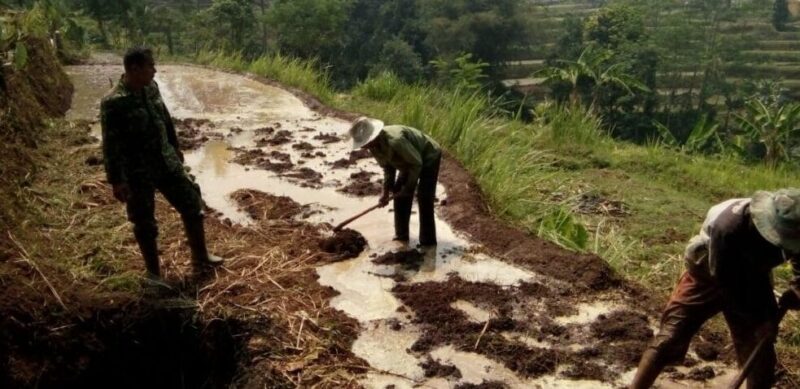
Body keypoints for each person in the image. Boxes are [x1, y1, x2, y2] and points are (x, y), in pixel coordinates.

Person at [630, 189, 800, 389]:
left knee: (760, 352)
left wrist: (797, 287)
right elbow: (728, 282)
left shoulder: (797, 223)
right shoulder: (728, 227)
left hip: (756, 276)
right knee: (670, 337)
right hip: (708, 272)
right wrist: (762, 320)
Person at [100, 47, 223, 281]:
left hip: (166, 162)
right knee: (144, 222)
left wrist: (175, 147)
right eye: (150, 66)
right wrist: (116, 180)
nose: (154, 70)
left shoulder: (151, 88)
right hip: (137, 172)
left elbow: (165, 118)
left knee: (192, 203)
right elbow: (110, 144)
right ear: (134, 69)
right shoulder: (114, 102)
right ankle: (154, 275)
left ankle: (201, 257)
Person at [349, 117, 442, 246]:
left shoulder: (396, 141)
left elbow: (416, 164)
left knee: (425, 198)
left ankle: (428, 242)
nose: (363, 147)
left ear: (372, 137)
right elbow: (388, 168)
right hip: (407, 160)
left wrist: (409, 188)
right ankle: (401, 236)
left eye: (364, 143)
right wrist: (385, 192)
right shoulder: (374, 147)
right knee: (398, 193)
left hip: (428, 155)